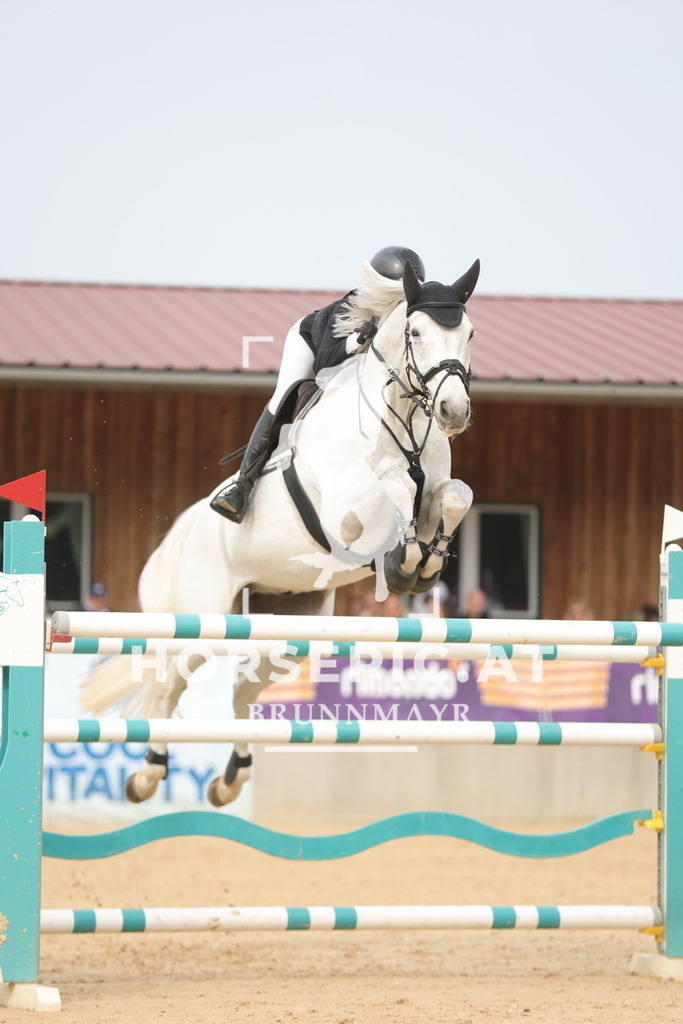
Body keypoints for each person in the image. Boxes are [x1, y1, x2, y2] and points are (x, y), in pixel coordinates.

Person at [210, 245, 426, 523]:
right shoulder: (349, 309)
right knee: (282, 397)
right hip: (310, 345)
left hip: (351, 363)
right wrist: (356, 340)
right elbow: (322, 365)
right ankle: (242, 485)